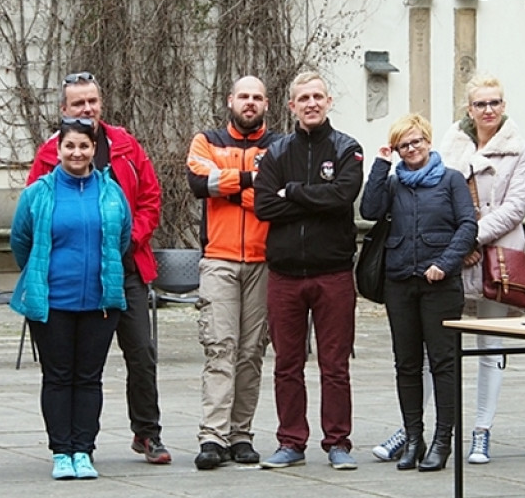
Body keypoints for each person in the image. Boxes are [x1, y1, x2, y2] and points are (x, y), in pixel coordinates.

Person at [389, 74, 525, 466]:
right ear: (468, 109)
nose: (488, 110)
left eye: (495, 102)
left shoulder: (519, 149)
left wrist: (470, 238)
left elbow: (515, 207)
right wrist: (456, 247)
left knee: (490, 347)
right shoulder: (450, 144)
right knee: (437, 348)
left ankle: (481, 431)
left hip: (495, 259)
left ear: (504, 105)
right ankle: (413, 429)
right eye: (480, 104)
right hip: (451, 259)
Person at [28, 72, 170, 464]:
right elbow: (32, 218)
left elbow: (150, 200)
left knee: (141, 351)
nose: (87, 109)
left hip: (126, 268)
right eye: (78, 104)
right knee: (73, 367)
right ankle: (68, 446)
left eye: (92, 101)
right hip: (74, 278)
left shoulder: (126, 145)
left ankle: (147, 433)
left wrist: (126, 238)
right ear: (63, 110)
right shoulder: (48, 156)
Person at [254, 72, 364, 471]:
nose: (312, 103)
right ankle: (290, 441)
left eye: (318, 96)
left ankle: (338, 442)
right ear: (291, 106)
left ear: (329, 101)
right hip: (285, 275)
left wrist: (294, 192)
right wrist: (312, 196)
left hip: (332, 273)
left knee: (334, 365)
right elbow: (265, 206)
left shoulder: (348, 148)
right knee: (287, 363)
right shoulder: (277, 152)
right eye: (304, 98)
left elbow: (342, 198)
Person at [11, 117, 131, 480]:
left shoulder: (111, 192)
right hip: (52, 304)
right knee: (58, 377)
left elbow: (121, 239)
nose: (77, 152)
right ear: (58, 150)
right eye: (70, 146)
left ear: (94, 149)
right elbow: (21, 242)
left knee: (89, 378)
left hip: (100, 304)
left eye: (84, 146)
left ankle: (84, 449)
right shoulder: (39, 193)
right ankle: (62, 451)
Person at [360, 114, 477, 471]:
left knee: (443, 362)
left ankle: (443, 441)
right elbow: (369, 210)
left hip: (439, 284)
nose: (411, 149)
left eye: (416, 142)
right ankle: (413, 438)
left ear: (428, 141)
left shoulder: (451, 180)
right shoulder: (394, 183)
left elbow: (468, 225)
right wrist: (380, 166)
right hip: (399, 281)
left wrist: (445, 261)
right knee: (406, 364)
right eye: (402, 145)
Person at [186, 76, 275, 469]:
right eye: (244, 96)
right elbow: (199, 183)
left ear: (267, 104)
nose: (250, 102)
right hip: (219, 259)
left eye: (257, 97)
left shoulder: (278, 147)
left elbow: (274, 197)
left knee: (251, 353)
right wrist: (252, 183)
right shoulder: (206, 140)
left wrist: (229, 187)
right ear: (230, 101)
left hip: (262, 260)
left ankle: (241, 434)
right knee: (220, 348)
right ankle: (213, 436)